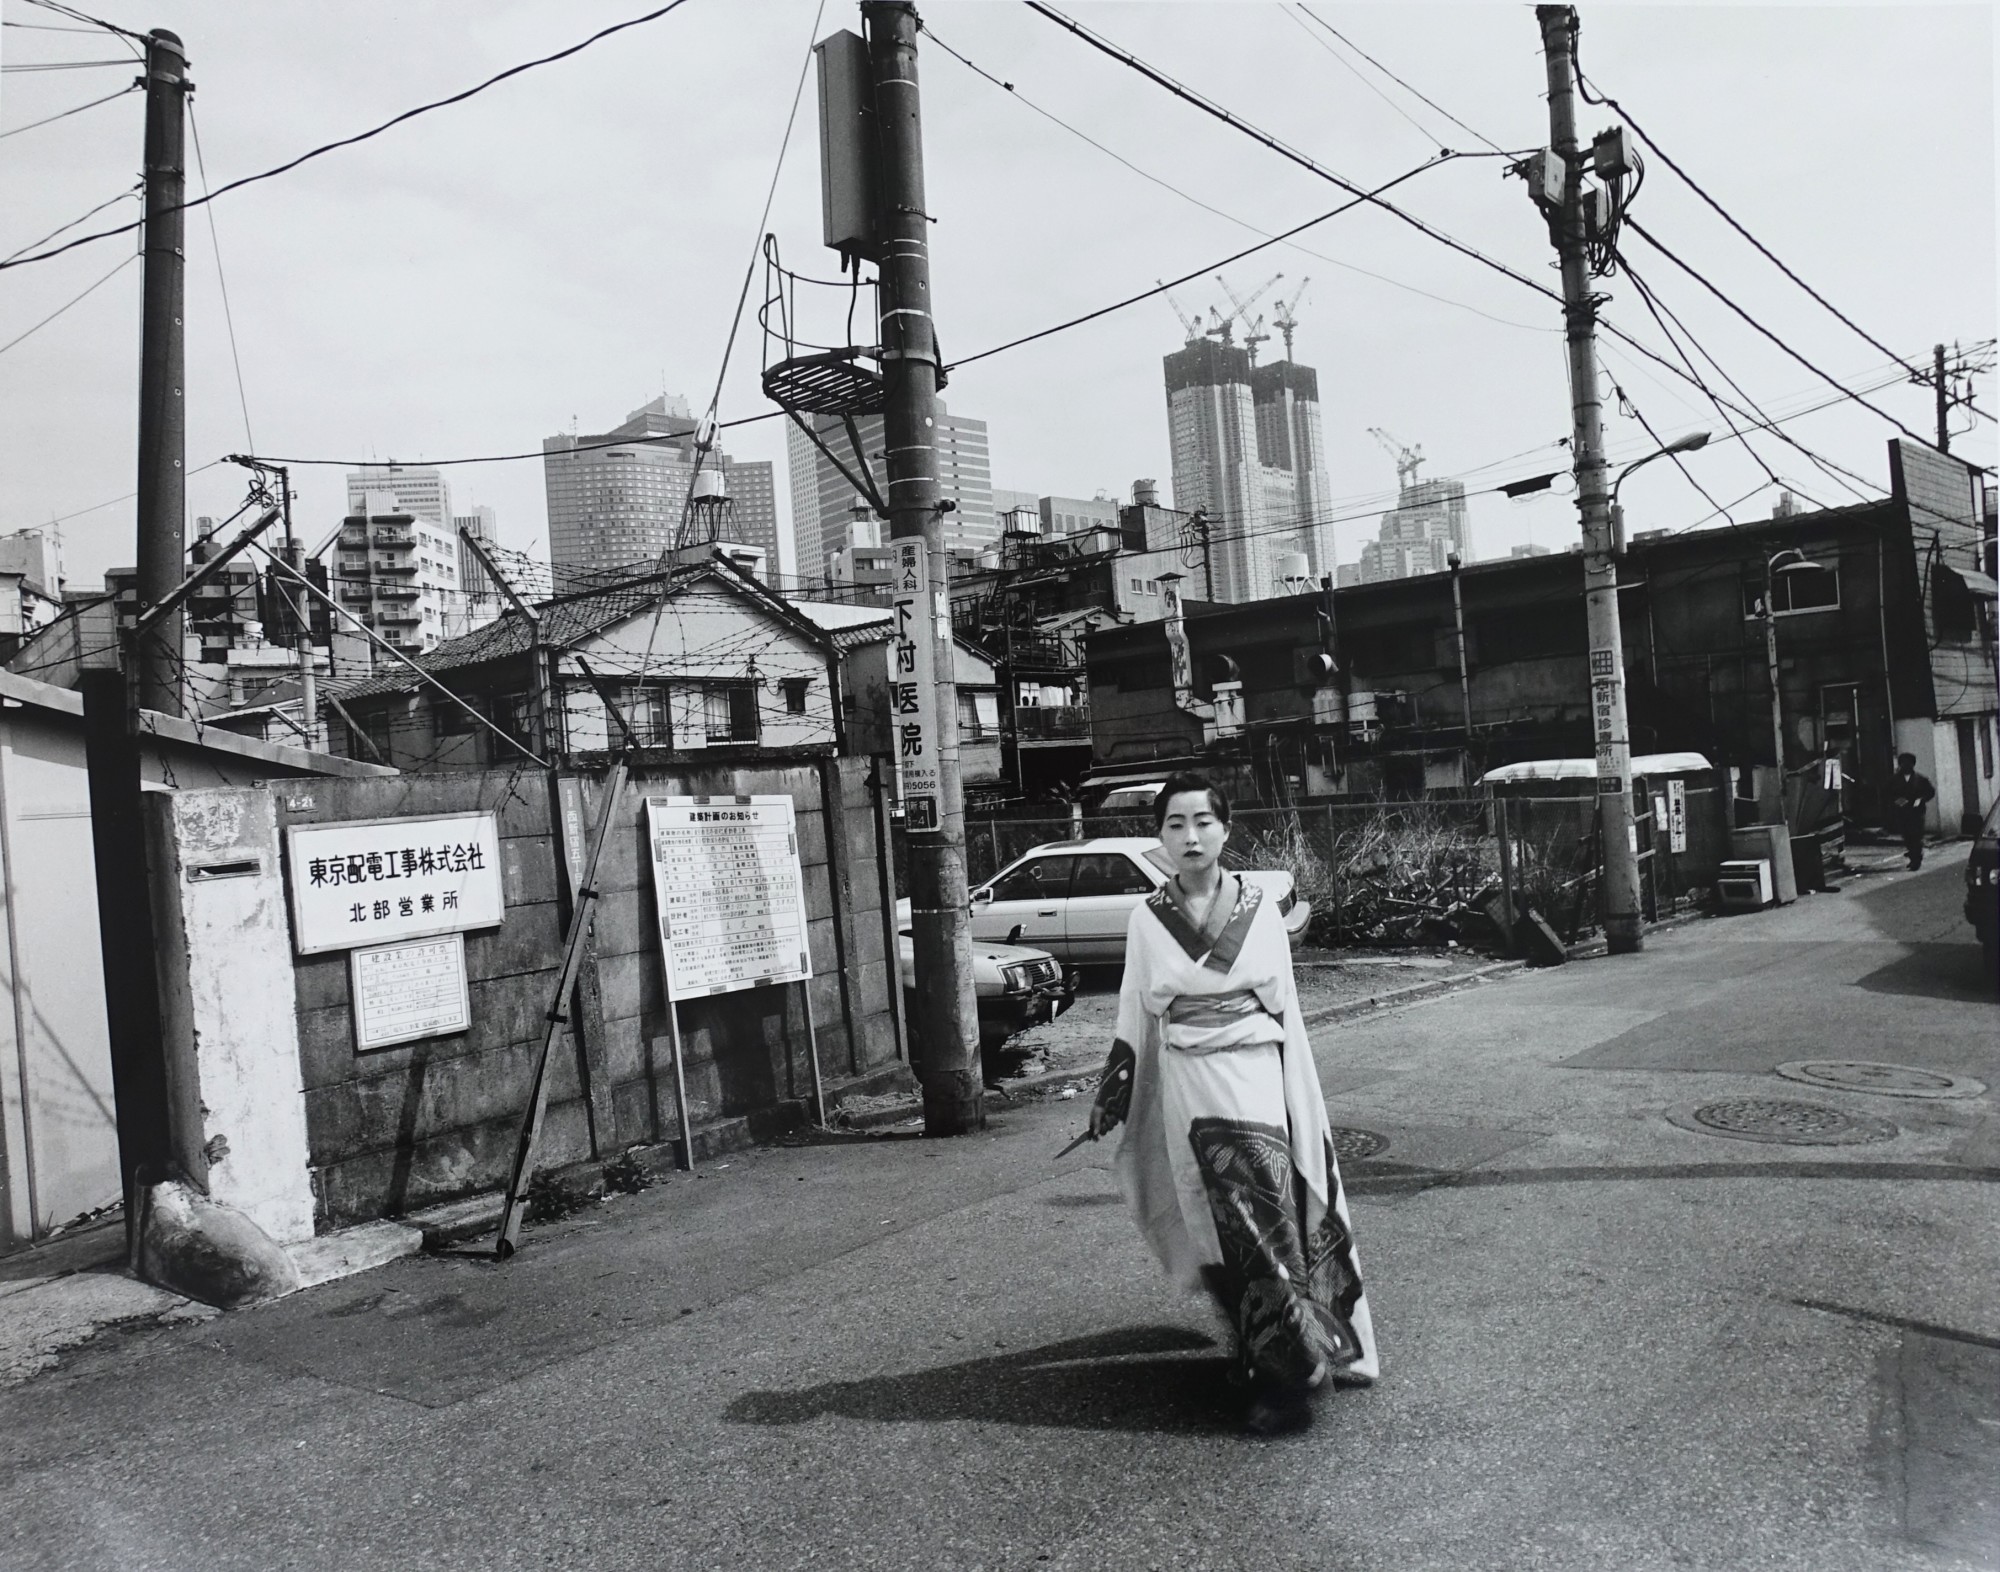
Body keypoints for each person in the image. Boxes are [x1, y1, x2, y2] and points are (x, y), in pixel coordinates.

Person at [1086, 772, 1377, 1436]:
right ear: (1159, 836)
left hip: (1253, 1077)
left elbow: (1285, 1007)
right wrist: (1115, 1089)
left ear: (1225, 829)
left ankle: (1291, 1376)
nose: (1190, 836)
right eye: (1174, 824)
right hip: (1189, 1083)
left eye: (1202, 822)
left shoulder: (1259, 906)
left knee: (1263, 1216)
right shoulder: (1146, 918)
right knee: (1213, 1221)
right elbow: (1134, 1013)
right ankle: (1257, 1348)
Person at [1888, 752, 1936, 870]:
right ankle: (1912, 856)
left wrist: (1921, 799)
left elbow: (1930, 792)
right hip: (1902, 812)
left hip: (1916, 812)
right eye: (1903, 763)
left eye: (1908, 763)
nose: (1906, 766)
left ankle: (1916, 859)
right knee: (1907, 836)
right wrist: (1896, 801)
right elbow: (1888, 794)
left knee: (1916, 836)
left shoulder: (1920, 779)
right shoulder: (1894, 780)